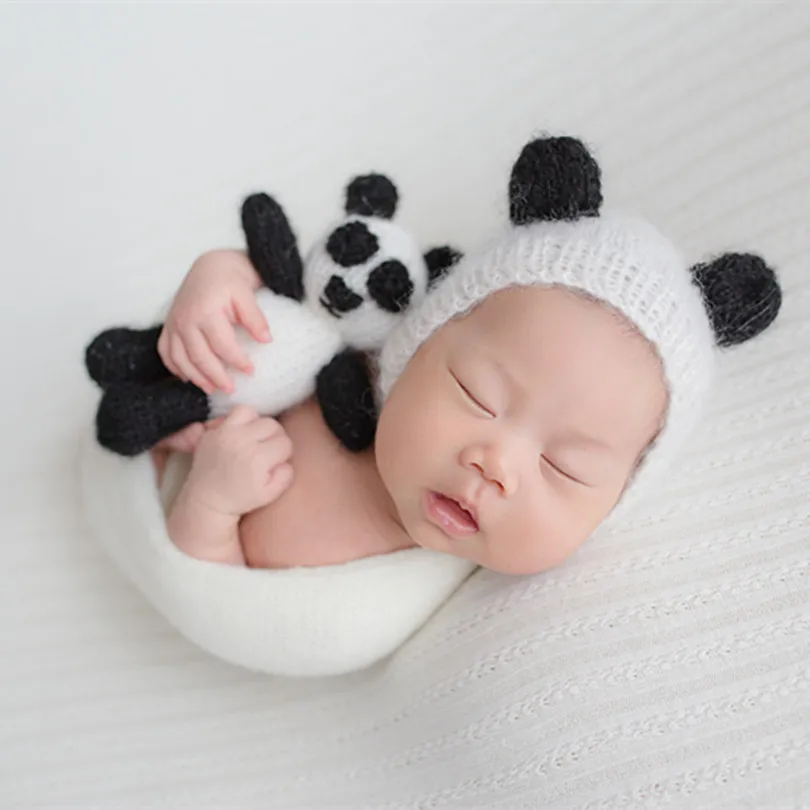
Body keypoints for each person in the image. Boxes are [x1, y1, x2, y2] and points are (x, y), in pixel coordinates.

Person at [150, 136, 778, 575]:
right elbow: (289, 289)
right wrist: (215, 280)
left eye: (564, 468)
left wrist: (209, 505)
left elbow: (221, 607)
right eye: (478, 394)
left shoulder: (359, 580)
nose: (495, 463)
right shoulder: (366, 347)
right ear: (419, 343)